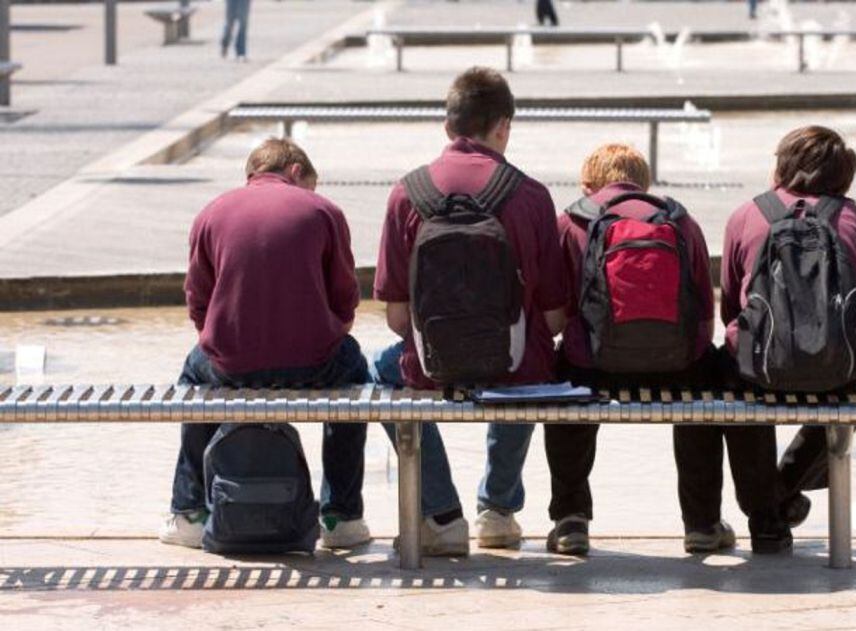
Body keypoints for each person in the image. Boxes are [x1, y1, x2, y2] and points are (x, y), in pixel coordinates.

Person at [159, 138, 459, 552]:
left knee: (195, 373)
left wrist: (229, 344)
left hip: (232, 364)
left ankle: (189, 510)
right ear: (296, 172)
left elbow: (198, 302)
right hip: (313, 363)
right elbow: (344, 297)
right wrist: (325, 333)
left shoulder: (211, 213)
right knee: (358, 375)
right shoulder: (324, 212)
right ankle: (341, 516)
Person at [544, 143, 784, 555]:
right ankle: (702, 523)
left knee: (565, 377)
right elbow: (704, 314)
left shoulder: (572, 220)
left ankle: (571, 520)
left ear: (589, 184)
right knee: (706, 390)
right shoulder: (678, 220)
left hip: (594, 365)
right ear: (644, 183)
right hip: (676, 366)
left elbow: (555, 307)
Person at [374, 66, 567, 551]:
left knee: (382, 371)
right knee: (531, 354)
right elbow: (554, 318)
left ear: (448, 127)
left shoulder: (406, 193)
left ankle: (440, 516)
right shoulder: (531, 196)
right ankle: (498, 512)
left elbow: (398, 318)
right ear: (503, 126)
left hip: (431, 370)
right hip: (517, 371)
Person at [721, 126, 856, 531]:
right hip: (842, 371)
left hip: (762, 370)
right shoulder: (855, 219)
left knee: (731, 375)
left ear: (783, 165)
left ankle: (765, 512)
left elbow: (731, 308)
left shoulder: (747, 215)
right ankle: (787, 485)